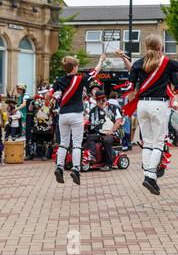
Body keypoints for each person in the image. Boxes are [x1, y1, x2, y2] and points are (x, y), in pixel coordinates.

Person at [123, 35, 178, 196]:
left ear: (146, 47)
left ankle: (147, 174)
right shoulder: (166, 63)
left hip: (142, 105)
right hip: (159, 104)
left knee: (148, 142)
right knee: (158, 143)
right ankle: (151, 176)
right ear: (160, 48)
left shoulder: (138, 63)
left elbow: (130, 86)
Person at [47, 54, 105, 185]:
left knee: (63, 143)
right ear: (74, 67)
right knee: (77, 144)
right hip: (76, 114)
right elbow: (95, 71)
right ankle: (76, 169)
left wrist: (48, 96)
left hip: (63, 115)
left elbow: (50, 92)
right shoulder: (80, 79)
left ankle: (59, 167)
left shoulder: (59, 80)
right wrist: (101, 60)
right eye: (77, 65)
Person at [87, 91, 123, 171]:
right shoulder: (93, 110)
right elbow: (89, 121)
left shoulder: (113, 108)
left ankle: (109, 164)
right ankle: (92, 156)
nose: (100, 101)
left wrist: (112, 130)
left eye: (102, 99)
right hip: (99, 133)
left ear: (105, 98)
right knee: (89, 137)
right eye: (98, 100)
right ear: (96, 101)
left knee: (107, 140)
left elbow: (119, 120)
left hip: (112, 133)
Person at [29, 94, 55, 160]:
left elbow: (51, 112)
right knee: (37, 139)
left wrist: (47, 109)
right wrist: (32, 103)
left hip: (47, 126)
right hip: (38, 125)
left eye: (47, 98)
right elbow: (30, 109)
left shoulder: (52, 103)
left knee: (46, 140)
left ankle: (45, 154)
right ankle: (36, 154)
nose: (46, 99)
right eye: (45, 98)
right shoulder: (39, 102)